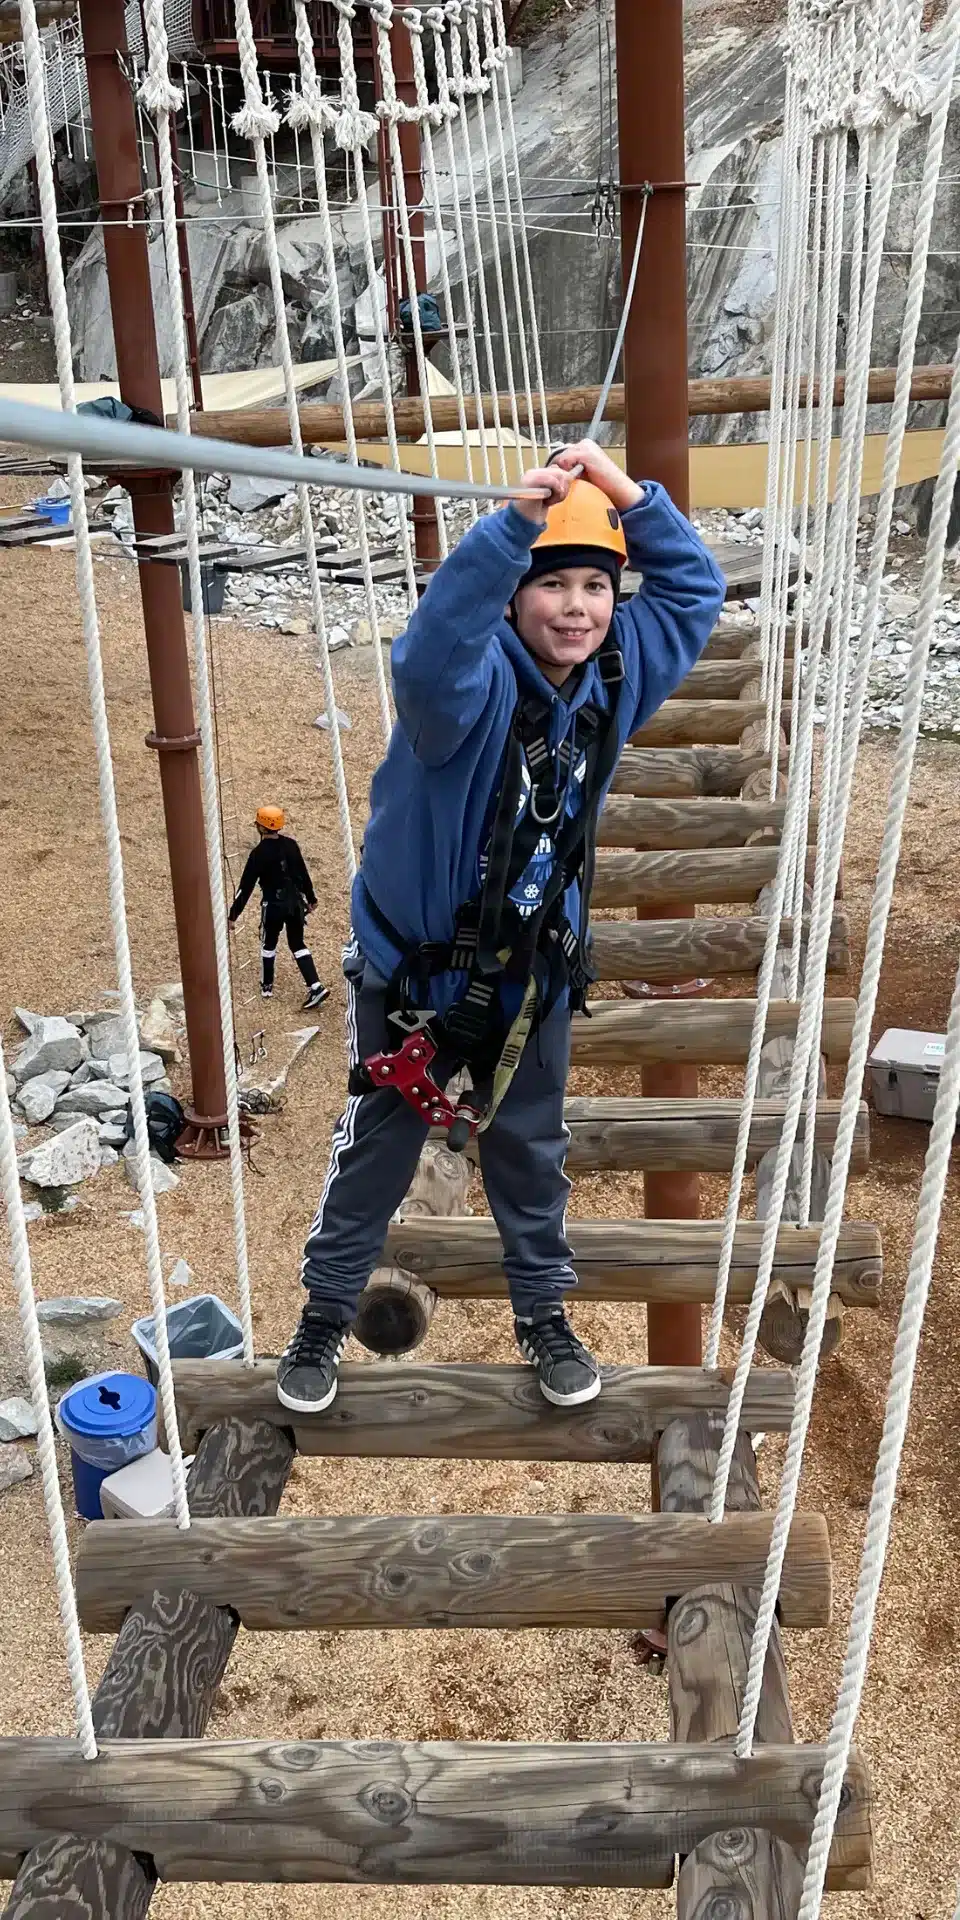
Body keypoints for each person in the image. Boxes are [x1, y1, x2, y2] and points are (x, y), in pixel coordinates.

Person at [276, 441, 726, 1416]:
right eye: (551, 586)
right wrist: (510, 529)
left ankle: (543, 1314)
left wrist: (622, 491)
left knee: (528, 1150)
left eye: (594, 588)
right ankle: (324, 1315)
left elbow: (693, 593)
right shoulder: (463, 701)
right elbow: (430, 648)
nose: (575, 606)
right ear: (513, 598)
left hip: (532, 974)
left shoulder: (611, 682)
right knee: (379, 1150)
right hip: (414, 988)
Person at [228, 806, 329, 1011]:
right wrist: (311, 898)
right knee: (297, 943)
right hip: (295, 904)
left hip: (273, 905)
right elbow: (303, 873)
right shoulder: (291, 845)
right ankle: (315, 985)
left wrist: (233, 915)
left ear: (262, 828)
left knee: (269, 943)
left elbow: (245, 887)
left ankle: (267, 986)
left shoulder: (258, 854)